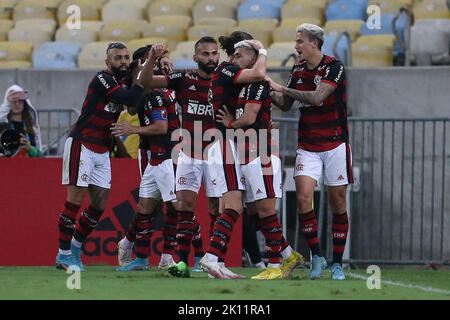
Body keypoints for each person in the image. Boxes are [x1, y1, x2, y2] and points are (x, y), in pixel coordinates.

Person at [199, 31, 300, 279]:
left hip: (254, 147)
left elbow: (253, 114)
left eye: (238, 55)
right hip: (234, 144)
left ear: (250, 56)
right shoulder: (232, 73)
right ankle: (218, 260)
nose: (233, 58)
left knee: (255, 207)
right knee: (232, 205)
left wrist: (253, 122)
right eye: (233, 54)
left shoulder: (249, 82)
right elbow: (252, 107)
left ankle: (273, 262)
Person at [55, 42, 155, 271]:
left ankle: (76, 248)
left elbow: (131, 109)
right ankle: (63, 255)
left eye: (126, 57)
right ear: (107, 62)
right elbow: (130, 100)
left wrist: (143, 72)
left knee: (99, 206)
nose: (122, 61)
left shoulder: (124, 82)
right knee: (74, 201)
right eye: (117, 58)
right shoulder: (103, 79)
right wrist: (141, 80)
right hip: (82, 144)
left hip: (102, 149)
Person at [268, 23, 353, 280]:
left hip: (336, 143)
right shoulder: (297, 70)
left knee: (337, 201)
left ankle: (337, 263)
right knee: (304, 199)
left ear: (314, 43)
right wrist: (268, 89)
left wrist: (281, 87)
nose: (296, 47)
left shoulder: (334, 67)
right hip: (308, 145)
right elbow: (284, 105)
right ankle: (317, 256)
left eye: (300, 41)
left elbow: (317, 97)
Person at [139, 37, 223, 278]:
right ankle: (181, 263)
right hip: (189, 153)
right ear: (195, 57)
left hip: (217, 154)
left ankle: (216, 260)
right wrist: (153, 58)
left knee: (216, 208)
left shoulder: (226, 79)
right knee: (184, 205)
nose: (211, 58)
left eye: (214, 53)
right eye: (205, 54)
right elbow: (144, 81)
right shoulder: (184, 79)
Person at [112, 44, 179, 271]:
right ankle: (140, 255)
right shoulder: (141, 89)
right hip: (150, 152)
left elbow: (162, 125)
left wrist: (166, 71)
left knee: (171, 205)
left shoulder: (164, 84)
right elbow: (131, 110)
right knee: (147, 204)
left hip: (170, 151)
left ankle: (168, 256)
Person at [0, 85, 43, 157]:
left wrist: (29, 148)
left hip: (29, 166)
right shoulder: (2, 125)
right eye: (14, 101)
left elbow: (40, 156)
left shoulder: (31, 126)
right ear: (8, 103)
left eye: (20, 101)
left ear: (24, 103)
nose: (17, 104)